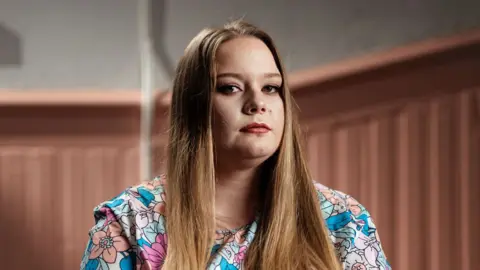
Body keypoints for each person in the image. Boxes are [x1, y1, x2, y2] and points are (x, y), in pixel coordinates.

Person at [80, 20, 390, 270]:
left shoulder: (342, 221)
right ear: (194, 107)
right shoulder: (128, 225)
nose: (257, 103)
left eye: (271, 88)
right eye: (230, 88)